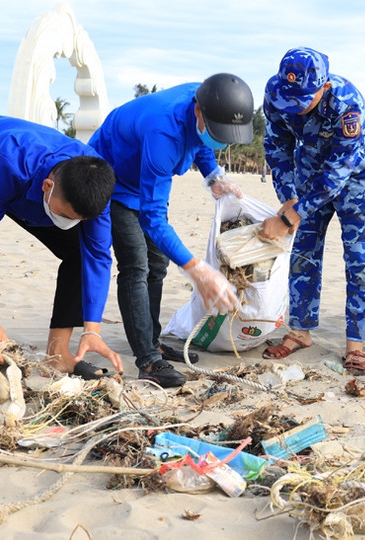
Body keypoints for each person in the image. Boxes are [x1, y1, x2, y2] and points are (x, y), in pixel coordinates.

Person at [88, 73, 254, 388]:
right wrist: (198, 271)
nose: (223, 139)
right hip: (113, 177)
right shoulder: (163, 132)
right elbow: (153, 217)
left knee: (158, 263)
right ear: (198, 112)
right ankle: (148, 360)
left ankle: (151, 340)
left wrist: (213, 177)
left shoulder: (208, 99)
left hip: (143, 175)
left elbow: (202, 141)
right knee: (136, 263)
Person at [0, 115, 123, 379]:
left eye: (77, 219)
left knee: (78, 252)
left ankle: (57, 356)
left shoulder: (94, 186)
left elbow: (98, 257)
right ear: (48, 186)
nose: (68, 224)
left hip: (28, 183)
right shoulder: (10, 163)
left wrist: (92, 328)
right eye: (65, 216)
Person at [259, 46, 365, 374]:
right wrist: (287, 199)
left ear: (324, 87)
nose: (294, 110)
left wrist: (290, 216)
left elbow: (338, 172)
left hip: (356, 179)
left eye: (303, 101)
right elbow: (276, 147)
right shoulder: (277, 93)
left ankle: (356, 344)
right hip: (309, 172)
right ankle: (300, 332)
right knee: (303, 254)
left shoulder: (348, 104)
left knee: (359, 261)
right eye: (290, 100)